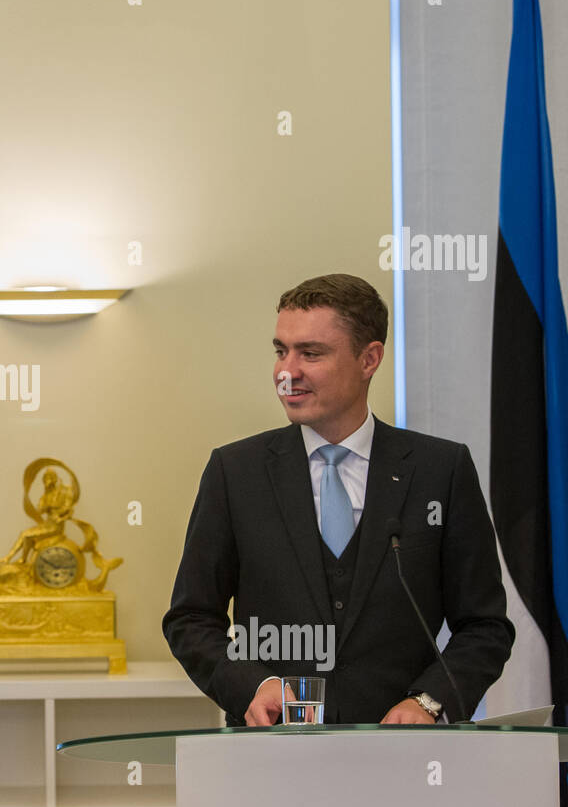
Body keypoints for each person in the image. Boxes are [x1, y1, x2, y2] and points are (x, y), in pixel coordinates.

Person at [163, 274, 513, 726]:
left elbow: (484, 626)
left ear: (369, 359)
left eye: (310, 353)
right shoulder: (235, 472)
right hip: (274, 757)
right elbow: (190, 619)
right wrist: (253, 685)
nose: (287, 372)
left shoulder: (440, 470)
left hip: (405, 758)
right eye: (280, 351)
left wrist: (429, 701)